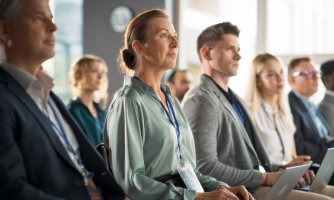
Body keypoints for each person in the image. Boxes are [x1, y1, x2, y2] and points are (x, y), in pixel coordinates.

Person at [181, 22, 334, 200]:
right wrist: (266, 177)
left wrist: (283, 170)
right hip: (240, 191)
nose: (238, 56)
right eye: (230, 48)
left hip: (259, 182)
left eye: (239, 49)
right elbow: (205, 167)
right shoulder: (201, 99)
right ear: (206, 53)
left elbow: (255, 163)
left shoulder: (235, 99)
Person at [103, 9, 253, 200]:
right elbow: (132, 181)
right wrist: (197, 198)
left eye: (174, 35)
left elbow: (188, 172)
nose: (176, 43)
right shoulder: (129, 101)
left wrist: (222, 187)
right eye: (164, 35)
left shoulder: (171, 99)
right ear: (139, 47)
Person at [0, 0, 124, 199]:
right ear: (5, 30)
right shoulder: (5, 98)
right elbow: (10, 189)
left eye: (52, 18)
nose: (54, 27)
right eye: (39, 18)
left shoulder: (47, 94)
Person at [247, 53, 334, 199]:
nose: (280, 78)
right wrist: (284, 167)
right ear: (258, 81)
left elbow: (294, 156)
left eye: (281, 73)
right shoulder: (252, 114)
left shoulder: (285, 113)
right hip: (273, 177)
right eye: (272, 74)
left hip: (296, 173)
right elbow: (254, 162)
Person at [67, 54, 108, 147]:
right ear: (78, 75)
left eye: (102, 72)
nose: (100, 76)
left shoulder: (103, 113)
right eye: (94, 71)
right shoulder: (71, 111)